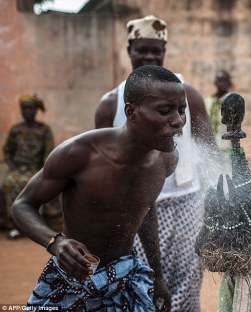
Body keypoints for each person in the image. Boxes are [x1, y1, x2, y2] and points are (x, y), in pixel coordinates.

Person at [12, 65, 184, 311]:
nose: (178, 121)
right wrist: (56, 243)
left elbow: (146, 211)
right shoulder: (80, 153)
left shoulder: (166, 160)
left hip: (125, 277)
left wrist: (158, 278)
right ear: (131, 112)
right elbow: (22, 205)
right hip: (72, 277)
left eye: (181, 110)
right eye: (165, 111)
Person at [95, 15, 214, 312]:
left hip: (186, 199)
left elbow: (210, 149)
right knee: (139, 281)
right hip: (135, 206)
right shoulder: (110, 103)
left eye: (155, 50)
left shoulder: (188, 95)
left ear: (164, 51)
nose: (149, 56)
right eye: (142, 50)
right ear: (129, 50)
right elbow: (101, 165)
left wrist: (221, 197)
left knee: (186, 279)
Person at [2, 94, 60, 240]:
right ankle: (15, 225)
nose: (27, 111)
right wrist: (12, 167)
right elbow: (7, 151)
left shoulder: (44, 130)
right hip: (18, 168)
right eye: (24, 108)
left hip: (38, 168)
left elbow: (49, 153)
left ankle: (36, 224)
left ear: (36, 110)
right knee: (10, 182)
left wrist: (44, 170)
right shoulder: (16, 130)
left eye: (30, 108)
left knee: (37, 183)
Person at [205, 69, 233, 152]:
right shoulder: (209, 101)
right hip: (210, 147)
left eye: (225, 81)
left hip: (226, 147)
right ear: (215, 82)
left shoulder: (232, 101)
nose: (222, 84)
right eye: (220, 80)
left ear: (229, 83)